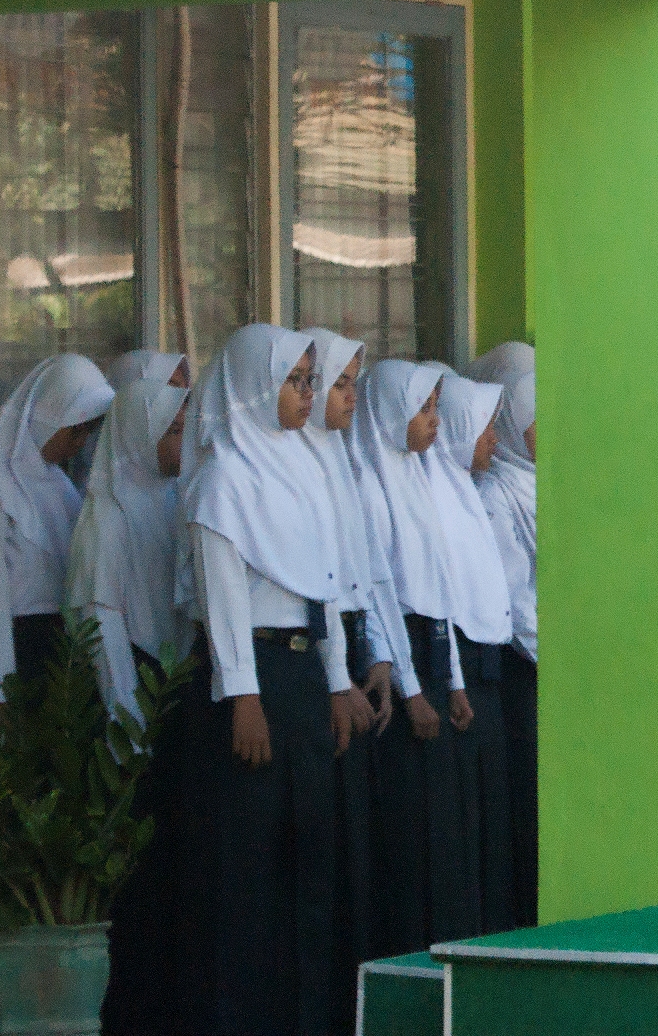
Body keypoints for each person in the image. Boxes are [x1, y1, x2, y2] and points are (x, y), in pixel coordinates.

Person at [171, 324, 350, 1036]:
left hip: (304, 675)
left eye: (312, 380)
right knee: (247, 871)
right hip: (250, 680)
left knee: (310, 859)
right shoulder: (223, 478)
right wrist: (242, 695)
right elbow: (222, 596)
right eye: (296, 380)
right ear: (253, 385)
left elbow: (327, 578)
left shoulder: (304, 467)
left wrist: (336, 678)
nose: (308, 394)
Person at [69, 373, 191, 1036]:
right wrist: (128, 724)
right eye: (170, 429)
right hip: (133, 697)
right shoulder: (108, 513)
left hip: (171, 687)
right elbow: (102, 622)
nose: (181, 441)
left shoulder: (171, 497)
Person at [347, 360, 459, 954]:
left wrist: (453, 679)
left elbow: (437, 582)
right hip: (398, 660)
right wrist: (413, 688)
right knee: (407, 826)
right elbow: (380, 589)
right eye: (423, 408)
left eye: (438, 407)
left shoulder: (417, 474)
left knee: (437, 828)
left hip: (431, 651)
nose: (435, 421)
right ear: (391, 411)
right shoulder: (370, 481)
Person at [298, 329, 389, 1026]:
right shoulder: (293, 464)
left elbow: (367, 573)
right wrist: (337, 675)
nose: (349, 396)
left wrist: (380, 654)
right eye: (339, 382)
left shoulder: (343, 461)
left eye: (354, 382)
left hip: (352, 649)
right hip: (316, 657)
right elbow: (317, 581)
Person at [427, 371, 518, 934]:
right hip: (452, 669)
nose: (491, 439)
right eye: (481, 427)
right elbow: (438, 596)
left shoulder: (462, 490)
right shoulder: (442, 494)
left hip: (484, 668)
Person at [0, 353, 115, 709]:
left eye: (89, 429)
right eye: (75, 427)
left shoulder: (59, 484)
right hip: (12, 645)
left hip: (59, 649)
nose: (81, 441)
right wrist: (0, 690)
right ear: (49, 415)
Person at [475, 361, 539, 928]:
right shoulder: (498, 493)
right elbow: (517, 603)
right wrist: (560, 660)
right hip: (528, 671)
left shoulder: (544, 485)